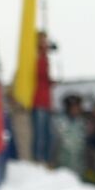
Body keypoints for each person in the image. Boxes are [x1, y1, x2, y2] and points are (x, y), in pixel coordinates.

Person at [31, 32, 55, 164]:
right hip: (38, 101)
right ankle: (38, 160)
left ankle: (46, 160)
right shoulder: (36, 58)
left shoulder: (46, 58)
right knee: (39, 134)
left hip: (46, 102)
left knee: (48, 134)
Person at [51, 93, 87, 178]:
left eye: (77, 107)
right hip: (62, 166)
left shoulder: (83, 123)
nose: (76, 110)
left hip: (79, 167)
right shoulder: (58, 122)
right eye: (73, 107)